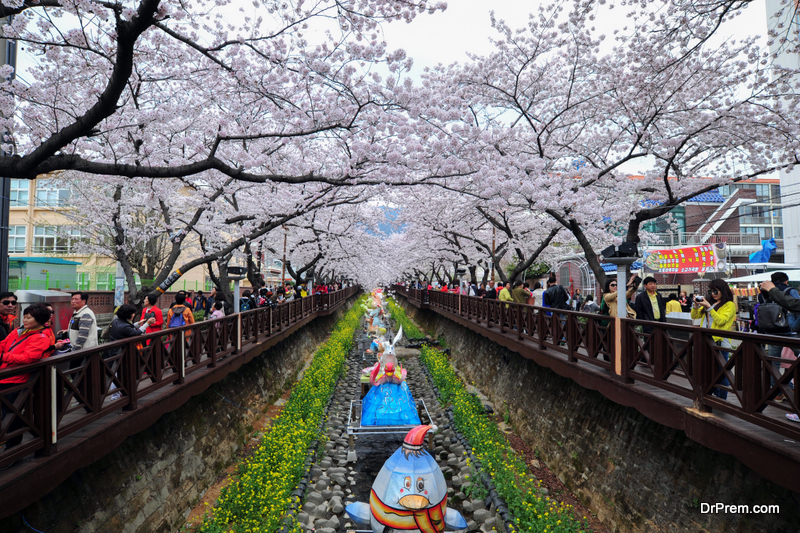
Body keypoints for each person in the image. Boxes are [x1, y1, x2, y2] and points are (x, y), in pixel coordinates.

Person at [0, 304, 54, 452]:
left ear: (40, 320)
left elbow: (29, 357)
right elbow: (3, 344)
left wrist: (3, 357)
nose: (25, 320)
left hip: (17, 379)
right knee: (7, 414)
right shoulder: (18, 331)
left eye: (29, 317)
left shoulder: (40, 337)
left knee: (11, 415)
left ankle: (13, 449)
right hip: (5, 375)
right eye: (25, 316)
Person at [757, 272, 800, 402]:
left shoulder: (762, 293)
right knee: (795, 361)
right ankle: (789, 388)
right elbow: (794, 305)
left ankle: (778, 392)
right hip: (790, 331)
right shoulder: (790, 291)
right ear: (786, 281)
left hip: (772, 330)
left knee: (773, 362)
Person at [691, 279, 736, 400]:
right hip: (706, 340)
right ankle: (712, 396)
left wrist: (709, 307)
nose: (713, 294)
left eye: (716, 291)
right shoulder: (710, 302)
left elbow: (721, 321)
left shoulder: (729, 305)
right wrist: (695, 305)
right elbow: (694, 317)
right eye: (711, 291)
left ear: (723, 290)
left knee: (721, 373)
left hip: (720, 342)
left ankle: (722, 399)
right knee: (708, 371)